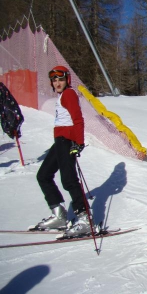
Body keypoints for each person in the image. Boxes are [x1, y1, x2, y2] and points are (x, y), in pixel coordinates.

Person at [32, 65, 88, 238]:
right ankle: (59, 215)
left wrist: (78, 143)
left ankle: (85, 219)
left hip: (67, 141)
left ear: (67, 80)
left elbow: (78, 119)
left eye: (60, 79)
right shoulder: (62, 96)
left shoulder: (69, 94)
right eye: (54, 80)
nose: (57, 82)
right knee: (43, 175)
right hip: (60, 141)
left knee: (69, 180)